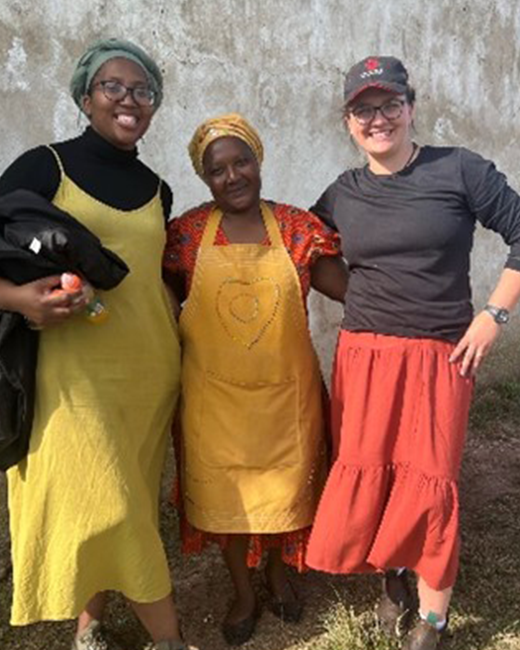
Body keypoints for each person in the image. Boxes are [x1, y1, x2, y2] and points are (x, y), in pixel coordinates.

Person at [305, 56, 520, 650]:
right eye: (363, 109)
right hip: (363, 356)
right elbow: (308, 249)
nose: (378, 118)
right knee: (373, 468)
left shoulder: (460, 171)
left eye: (390, 104)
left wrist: (493, 315)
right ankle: (391, 574)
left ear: (411, 108)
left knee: (431, 476)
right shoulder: (343, 192)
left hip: (441, 357)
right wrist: (357, 292)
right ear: (347, 121)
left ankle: (432, 618)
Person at [0, 38, 196, 650]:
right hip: (73, 372)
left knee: (128, 501)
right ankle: (170, 641)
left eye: (142, 91)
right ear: (86, 97)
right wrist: (25, 301)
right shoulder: (43, 167)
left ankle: (90, 627)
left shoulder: (157, 188)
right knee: (108, 501)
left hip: (149, 372)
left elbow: (155, 281)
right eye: (112, 87)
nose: (128, 100)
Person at [163, 113, 347, 645]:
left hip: (286, 400)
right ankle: (243, 592)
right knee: (226, 503)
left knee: (283, 495)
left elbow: (348, 291)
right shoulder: (186, 237)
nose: (232, 175)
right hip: (212, 401)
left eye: (241, 160)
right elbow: (159, 302)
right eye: (216, 169)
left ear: (258, 160)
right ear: (205, 179)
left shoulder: (295, 228)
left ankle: (275, 572)